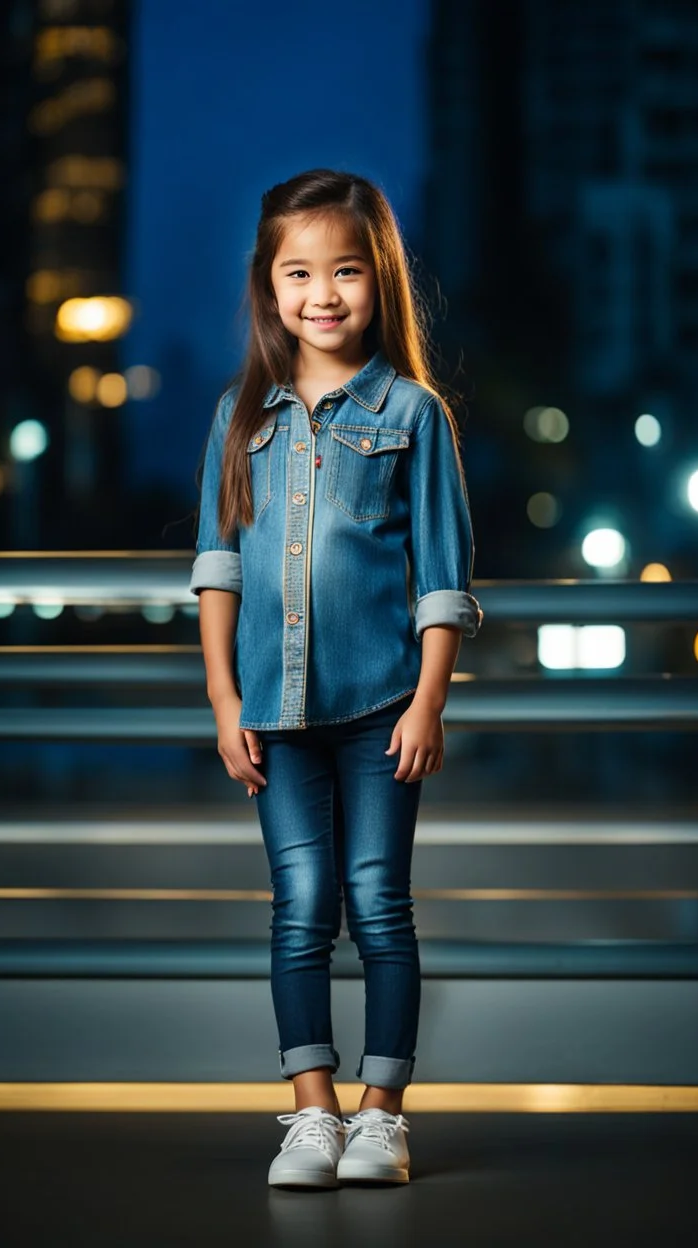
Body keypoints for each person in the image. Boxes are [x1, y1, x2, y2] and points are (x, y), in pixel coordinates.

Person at [191, 168, 481, 1188]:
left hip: (380, 711)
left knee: (380, 903)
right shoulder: (239, 416)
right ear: (269, 286)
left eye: (346, 270)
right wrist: (226, 702)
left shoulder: (413, 412)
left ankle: (382, 1116)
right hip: (272, 714)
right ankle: (309, 1112)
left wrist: (430, 702)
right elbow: (217, 571)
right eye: (299, 271)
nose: (323, 293)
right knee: (299, 904)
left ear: (379, 280)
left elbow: (444, 581)